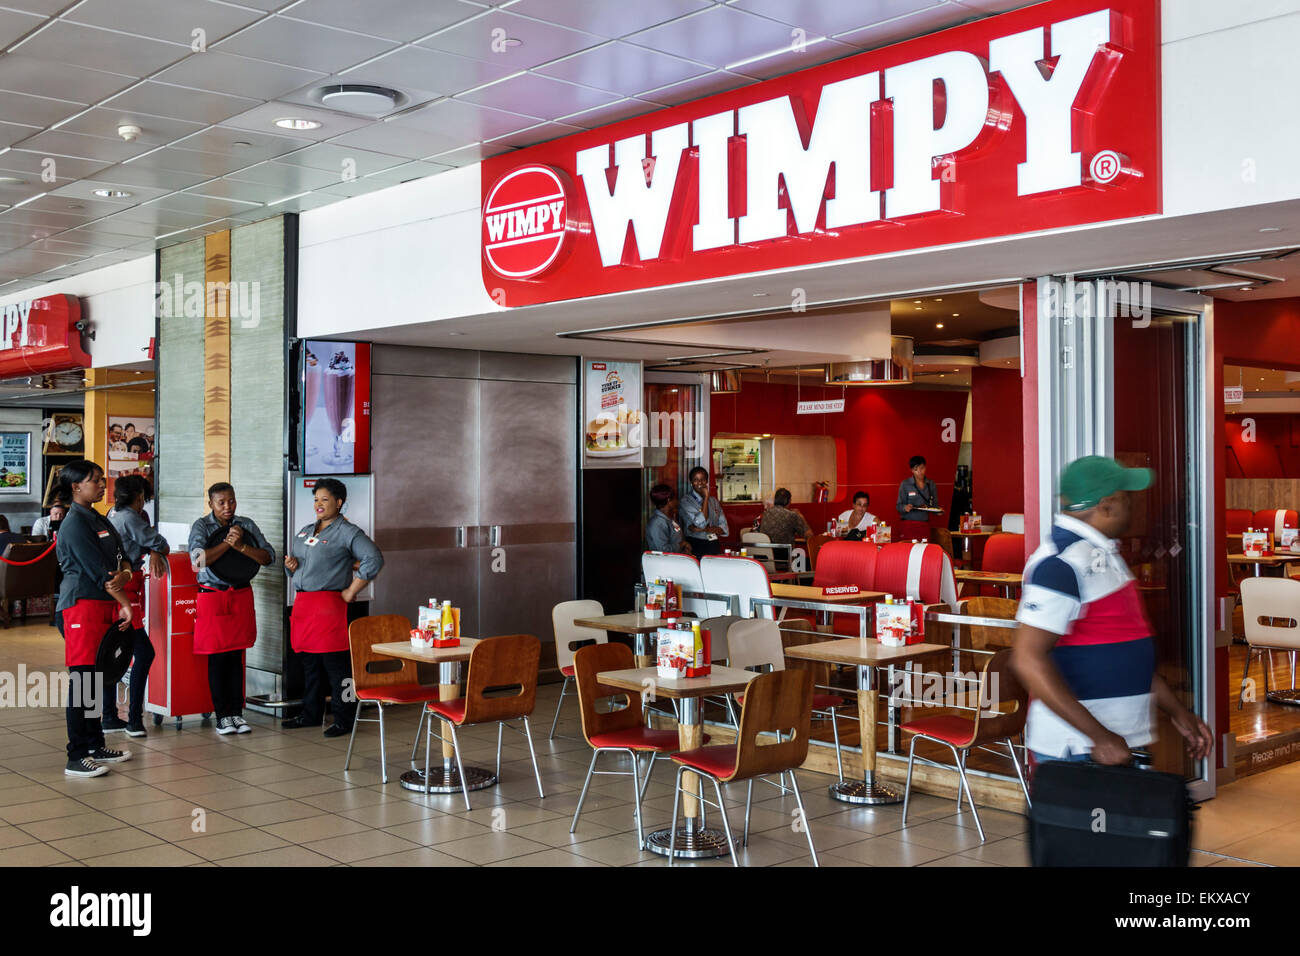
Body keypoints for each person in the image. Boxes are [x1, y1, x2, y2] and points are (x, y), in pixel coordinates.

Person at [1011, 456, 1213, 767]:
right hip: (1078, 750)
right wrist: (1099, 736)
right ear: (1107, 506)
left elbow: (1127, 651)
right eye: (1127, 498)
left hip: (1116, 742)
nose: (1133, 506)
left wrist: (1176, 711)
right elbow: (1027, 658)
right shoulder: (1061, 563)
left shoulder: (1103, 555)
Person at [282, 478, 383, 736]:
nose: (318, 504)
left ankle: (345, 719)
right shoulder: (306, 530)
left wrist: (352, 590)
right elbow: (297, 566)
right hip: (304, 605)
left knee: (337, 667)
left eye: (324, 500)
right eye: (316, 499)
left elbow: (374, 558)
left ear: (339, 503)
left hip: (328, 606)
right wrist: (290, 567)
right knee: (310, 665)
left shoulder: (347, 532)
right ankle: (311, 715)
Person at [54, 460, 134, 778]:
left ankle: (94, 744)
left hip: (101, 606)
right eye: (96, 481)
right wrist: (126, 603)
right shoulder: (74, 523)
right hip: (80, 608)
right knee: (82, 682)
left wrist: (126, 572)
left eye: (102, 479)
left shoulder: (97, 518)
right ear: (76, 487)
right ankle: (76, 756)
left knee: (95, 680)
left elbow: (122, 556)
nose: (103, 485)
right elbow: (100, 573)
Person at [188, 482, 274, 736]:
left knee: (237, 656)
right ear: (211, 503)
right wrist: (228, 544)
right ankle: (222, 716)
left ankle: (237, 713)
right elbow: (197, 561)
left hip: (240, 594)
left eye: (232, 501)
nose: (228, 507)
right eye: (221, 502)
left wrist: (242, 547)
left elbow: (269, 557)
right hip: (213, 597)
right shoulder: (201, 526)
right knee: (217, 657)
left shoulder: (246, 524)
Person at [104, 475, 169, 738]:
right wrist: (155, 549)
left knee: (109, 654)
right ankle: (133, 719)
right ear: (140, 496)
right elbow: (160, 543)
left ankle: (109, 716)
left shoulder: (112, 512)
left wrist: (153, 550)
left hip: (111, 589)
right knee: (144, 653)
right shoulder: (131, 517)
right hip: (125, 590)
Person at [679, 466, 728, 556]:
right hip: (695, 544)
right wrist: (705, 498)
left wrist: (705, 529)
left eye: (703, 479)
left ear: (707, 481)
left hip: (713, 543)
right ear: (691, 483)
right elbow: (700, 523)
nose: (700, 483)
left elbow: (724, 527)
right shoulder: (686, 501)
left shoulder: (713, 501)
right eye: (696, 480)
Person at [895, 455, 940, 541]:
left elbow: (934, 506)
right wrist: (905, 507)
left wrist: (938, 511)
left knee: (924, 550)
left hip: (924, 524)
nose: (920, 471)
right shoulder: (905, 484)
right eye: (916, 469)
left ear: (925, 468)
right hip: (908, 524)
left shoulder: (931, 484)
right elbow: (898, 506)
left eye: (922, 468)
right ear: (911, 470)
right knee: (908, 550)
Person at [646, 484, 689, 554]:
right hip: (666, 563)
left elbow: (676, 537)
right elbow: (663, 550)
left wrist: (684, 549)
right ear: (669, 500)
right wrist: (682, 545)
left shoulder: (669, 518)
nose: (677, 501)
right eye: (675, 498)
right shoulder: (657, 523)